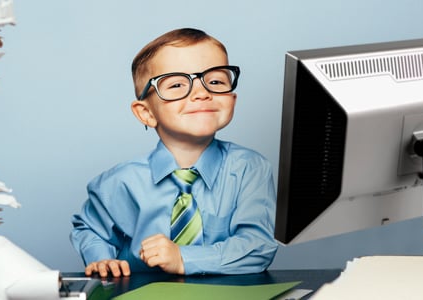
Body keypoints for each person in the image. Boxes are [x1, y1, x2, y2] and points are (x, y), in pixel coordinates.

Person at [70, 28, 277, 277]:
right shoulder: (122, 181)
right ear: (146, 113)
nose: (202, 93)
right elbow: (89, 228)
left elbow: (258, 246)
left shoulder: (249, 169)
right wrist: (101, 259)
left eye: (215, 81)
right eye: (177, 84)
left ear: (232, 98)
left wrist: (183, 258)